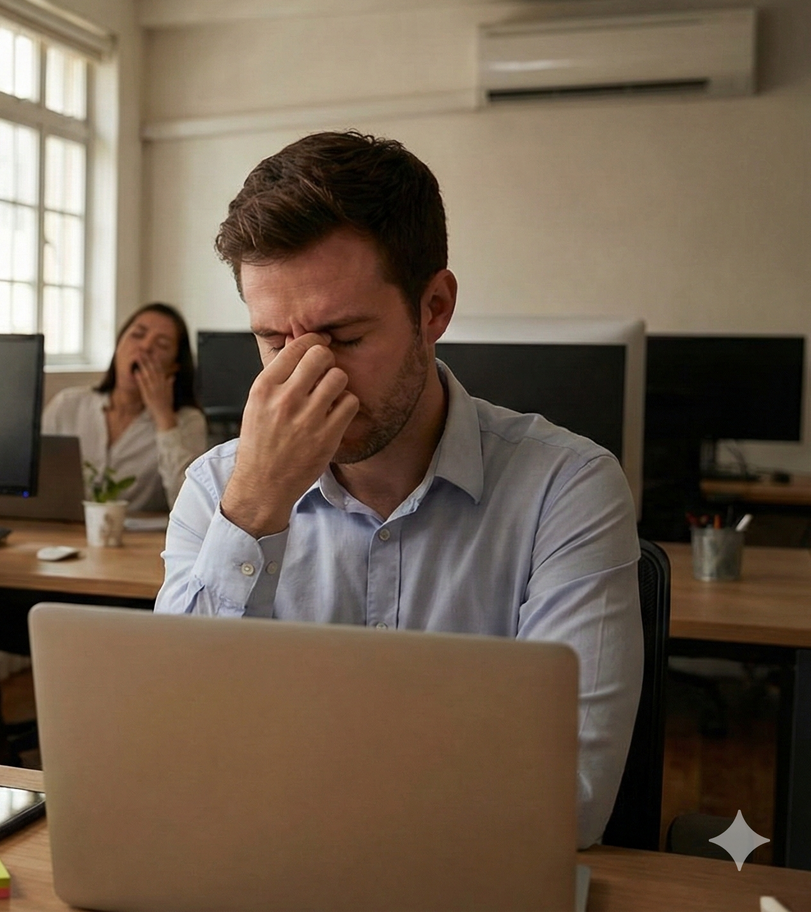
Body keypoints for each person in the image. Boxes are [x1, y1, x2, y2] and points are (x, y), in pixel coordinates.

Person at [155, 131, 641, 848]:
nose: (308, 376)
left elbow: (569, 798)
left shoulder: (566, 489)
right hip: (268, 867)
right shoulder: (218, 489)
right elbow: (169, 750)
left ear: (434, 307)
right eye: (274, 342)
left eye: (345, 337)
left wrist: (287, 778)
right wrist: (254, 509)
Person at [43, 303, 209, 511]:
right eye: (137, 335)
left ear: (174, 367)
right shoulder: (67, 405)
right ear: (118, 345)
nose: (145, 347)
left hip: (139, 531)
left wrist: (163, 417)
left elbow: (191, 508)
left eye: (162, 344)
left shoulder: (188, 421)